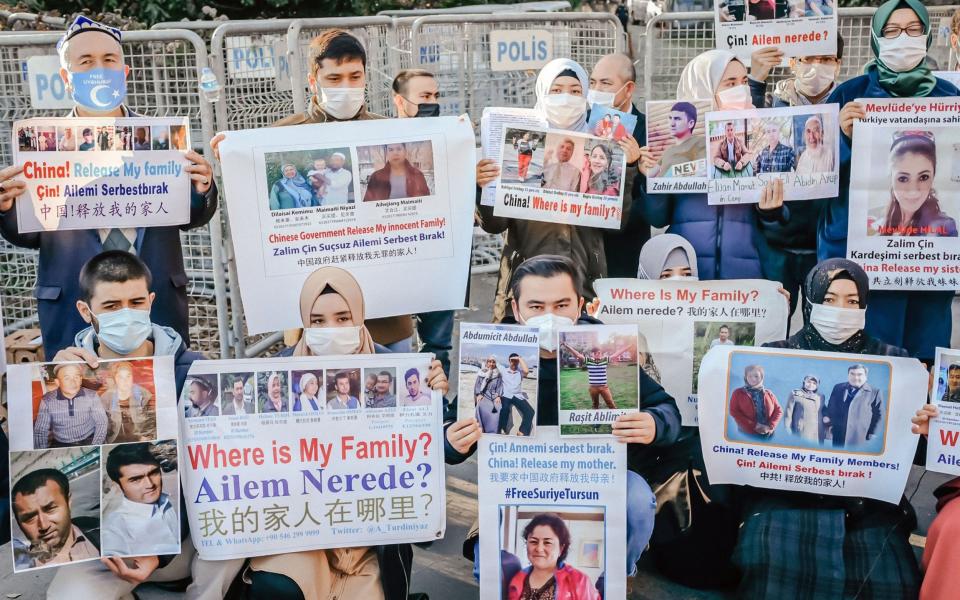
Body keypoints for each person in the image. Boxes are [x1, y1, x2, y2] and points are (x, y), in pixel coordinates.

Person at [451, 255, 681, 581]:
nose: (549, 317)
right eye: (536, 307)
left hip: (594, 476)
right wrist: (453, 439)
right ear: (516, 309)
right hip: (520, 483)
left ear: (580, 306)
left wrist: (654, 423)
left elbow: (668, 409)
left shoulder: (606, 349)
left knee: (637, 500)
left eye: (561, 305)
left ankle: (616, 576)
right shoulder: (497, 350)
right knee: (491, 565)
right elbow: (451, 427)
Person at [0, 16, 217, 357]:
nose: (98, 69)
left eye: (109, 60)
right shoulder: (42, 146)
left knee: (161, 397)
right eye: (85, 62)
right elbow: (26, 235)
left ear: (124, 72)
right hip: (74, 301)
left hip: (152, 296)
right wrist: (6, 208)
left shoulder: (161, 138)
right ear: (66, 79)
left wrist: (202, 188)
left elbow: (189, 214)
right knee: (80, 399)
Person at [46, 250, 244, 599]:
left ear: (151, 301)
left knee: (235, 533)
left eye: (136, 302)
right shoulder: (65, 377)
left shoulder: (195, 372)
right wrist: (51, 382)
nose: (126, 314)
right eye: (110, 306)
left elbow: (223, 473)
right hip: (106, 556)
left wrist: (161, 550)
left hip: (186, 542)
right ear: (85, 311)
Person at [248, 264, 448, 600]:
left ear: (361, 316)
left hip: (366, 543)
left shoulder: (400, 373)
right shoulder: (274, 374)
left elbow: (424, 458)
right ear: (303, 324)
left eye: (343, 318)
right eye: (317, 321)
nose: (331, 329)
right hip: (300, 533)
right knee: (279, 586)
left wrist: (434, 400)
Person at [212, 28, 415, 357]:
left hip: (386, 316)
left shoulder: (393, 135)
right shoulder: (280, 139)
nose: (346, 87)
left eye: (355, 76)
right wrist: (233, 165)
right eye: (334, 78)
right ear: (313, 81)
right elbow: (252, 213)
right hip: (312, 321)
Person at [733, 257, 918, 598]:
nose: (840, 310)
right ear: (811, 300)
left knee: (891, 579)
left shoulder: (893, 360)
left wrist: (921, 424)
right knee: (770, 562)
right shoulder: (776, 355)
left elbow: (905, 445)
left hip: (867, 506)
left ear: (865, 305)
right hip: (784, 499)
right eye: (830, 299)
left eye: (852, 301)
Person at [824, 0, 958, 360]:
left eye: (914, 30)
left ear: (928, 35)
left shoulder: (950, 98)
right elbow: (819, 178)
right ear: (876, 37)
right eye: (892, 30)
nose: (904, 38)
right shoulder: (849, 95)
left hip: (930, 267)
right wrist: (845, 140)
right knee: (862, 358)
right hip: (860, 256)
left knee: (921, 360)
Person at [475, 58, 620, 321]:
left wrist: (627, 169)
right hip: (524, 287)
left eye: (575, 91)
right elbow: (494, 225)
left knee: (578, 360)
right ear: (543, 93)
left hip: (582, 286)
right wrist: (483, 186)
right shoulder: (521, 143)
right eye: (556, 90)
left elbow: (616, 222)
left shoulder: (602, 149)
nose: (566, 98)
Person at [639, 49, 782, 280]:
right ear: (703, 88)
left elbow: (777, 223)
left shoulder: (761, 131)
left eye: (744, 81)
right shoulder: (674, 144)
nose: (741, 89)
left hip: (747, 276)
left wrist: (772, 211)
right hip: (688, 275)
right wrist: (652, 179)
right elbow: (658, 218)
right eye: (730, 83)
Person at [389, 68, 454, 375]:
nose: (433, 103)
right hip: (394, 258)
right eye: (424, 97)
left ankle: (439, 409)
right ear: (400, 102)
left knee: (438, 346)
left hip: (438, 257)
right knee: (394, 342)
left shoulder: (451, 140)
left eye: (436, 96)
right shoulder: (381, 141)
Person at [588, 53, 648, 279]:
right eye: (592, 82)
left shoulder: (648, 130)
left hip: (626, 250)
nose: (596, 90)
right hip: (585, 247)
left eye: (605, 83)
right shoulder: (582, 123)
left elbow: (651, 204)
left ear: (628, 89)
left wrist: (635, 167)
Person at [871, 131, 957, 237]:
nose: (913, 191)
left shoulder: (944, 227)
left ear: (933, 177)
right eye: (903, 178)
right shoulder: (873, 220)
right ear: (891, 178)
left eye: (923, 177)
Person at [12, 469, 99, 570]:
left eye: (50, 509)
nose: (44, 525)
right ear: (18, 523)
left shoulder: (101, 531)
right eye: (30, 517)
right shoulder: (22, 568)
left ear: (68, 502)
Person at [101, 443, 178, 556]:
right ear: (117, 486)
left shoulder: (164, 501)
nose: (150, 484)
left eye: (153, 473)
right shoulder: (114, 531)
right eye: (136, 479)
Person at [506, 513, 600, 600]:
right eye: (533, 541)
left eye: (547, 542)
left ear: (561, 548)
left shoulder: (579, 581)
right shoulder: (517, 579)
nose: (539, 549)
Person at [748, 36, 845, 108]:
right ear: (792, 63)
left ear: (838, 65)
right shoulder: (772, 104)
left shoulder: (850, 102)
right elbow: (749, 127)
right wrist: (756, 82)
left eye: (827, 59)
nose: (817, 66)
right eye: (808, 58)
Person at [34, 363, 108, 448]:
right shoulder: (47, 400)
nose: (73, 382)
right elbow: (40, 431)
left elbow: (102, 423)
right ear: (57, 382)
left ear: (80, 379)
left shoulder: (92, 396)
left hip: (89, 439)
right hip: (61, 443)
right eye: (67, 378)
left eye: (76, 377)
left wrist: (95, 446)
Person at [559, 342, 635, 410]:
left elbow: (616, 354)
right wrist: (567, 346)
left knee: (611, 404)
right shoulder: (588, 360)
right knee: (595, 405)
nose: (597, 354)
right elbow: (577, 354)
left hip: (604, 387)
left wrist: (628, 346)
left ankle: (616, 420)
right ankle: (596, 421)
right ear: (592, 354)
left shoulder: (605, 360)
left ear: (601, 353)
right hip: (593, 388)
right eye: (595, 353)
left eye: (599, 353)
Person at [824, 364, 883, 449]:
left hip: (860, 436)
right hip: (839, 434)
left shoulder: (875, 392)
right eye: (852, 374)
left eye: (859, 374)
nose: (855, 377)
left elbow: (879, 414)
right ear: (848, 375)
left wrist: (873, 432)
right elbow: (831, 406)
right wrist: (828, 420)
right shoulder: (838, 387)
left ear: (866, 376)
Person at [100, 361, 155, 443]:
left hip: (138, 439)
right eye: (120, 377)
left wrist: (148, 436)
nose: (125, 381)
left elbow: (152, 420)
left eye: (128, 376)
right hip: (114, 439)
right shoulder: (106, 397)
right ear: (115, 378)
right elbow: (102, 424)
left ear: (133, 377)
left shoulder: (144, 394)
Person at [647, 102, 702, 179]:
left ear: (691, 123)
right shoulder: (668, 150)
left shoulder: (701, 142)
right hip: (659, 188)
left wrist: (664, 179)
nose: (671, 124)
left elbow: (703, 169)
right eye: (670, 118)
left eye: (677, 119)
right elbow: (650, 174)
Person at [362, 142, 430, 201]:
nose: (395, 153)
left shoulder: (417, 175)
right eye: (391, 150)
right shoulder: (376, 177)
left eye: (399, 149)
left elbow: (427, 202)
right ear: (386, 153)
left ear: (405, 152)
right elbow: (368, 205)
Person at [729, 364, 782, 438]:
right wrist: (755, 426)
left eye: (756, 376)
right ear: (745, 377)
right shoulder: (738, 393)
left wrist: (771, 426)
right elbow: (734, 411)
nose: (753, 379)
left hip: (768, 435)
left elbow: (778, 410)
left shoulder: (769, 393)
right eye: (750, 376)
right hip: (747, 434)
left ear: (762, 377)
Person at [498, 353, 535, 436]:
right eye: (512, 361)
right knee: (504, 409)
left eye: (516, 361)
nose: (514, 362)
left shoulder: (520, 372)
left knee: (530, 412)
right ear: (509, 361)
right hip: (506, 395)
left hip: (517, 396)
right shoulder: (503, 371)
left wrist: (519, 358)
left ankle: (522, 432)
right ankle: (502, 429)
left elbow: (526, 371)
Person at [784, 375, 825, 444]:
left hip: (817, 432)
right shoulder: (795, 394)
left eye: (814, 383)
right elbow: (788, 412)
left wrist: (827, 416)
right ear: (804, 382)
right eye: (809, 382)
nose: (811, 385)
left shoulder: (820, 396)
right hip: (802, 430)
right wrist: (787, 428)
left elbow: (823, 409)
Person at [474, 356, 504, 433]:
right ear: (487, 363)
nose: (491, 363)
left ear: (495, 363)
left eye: (493, 362)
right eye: (489, 361)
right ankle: (481, 429)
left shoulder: (498, 374)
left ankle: (493, 431)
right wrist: (479, 394)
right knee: (480, 406)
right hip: (484, 394)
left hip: (494, 395)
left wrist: (498, 396)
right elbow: (478, 385)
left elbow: (500, 386)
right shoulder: (482, 373)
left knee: (498, 407)